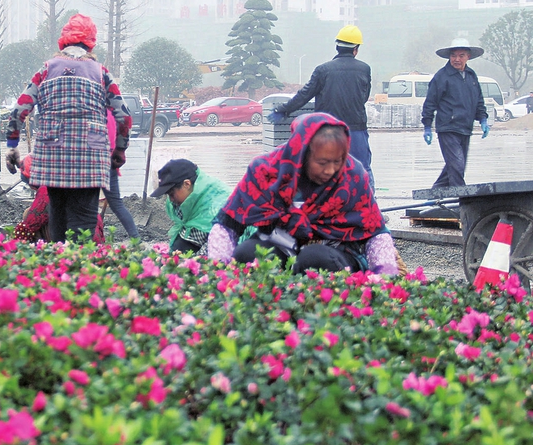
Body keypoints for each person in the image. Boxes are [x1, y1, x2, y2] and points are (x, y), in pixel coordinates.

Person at [207, 113, 398, 276]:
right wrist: (218, 274)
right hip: (278, 245)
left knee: (315, 258)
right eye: (322, 163)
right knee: (249, 254)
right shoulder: (265, 172)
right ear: (301, 153)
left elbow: (376, 232)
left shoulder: (353, 176)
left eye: (337, 161)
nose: (331, 170)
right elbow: (227, 224)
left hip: (335, 253)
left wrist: (385, 277)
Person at [5, 13, 133, 242]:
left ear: (63, 42)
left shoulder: (46, 70)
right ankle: (81, 272)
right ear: (91, 43)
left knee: (58, 220)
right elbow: (123, 116)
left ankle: (57, 270)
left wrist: (12, 145)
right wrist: (119, 150)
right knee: (83, 226)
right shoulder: (101, 73)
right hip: (90, 161)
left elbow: (19, 110)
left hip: (52, 158)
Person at [270, 25, 374, 188]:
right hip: (356, 129)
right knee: (362, 170)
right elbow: (364, 97)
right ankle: (369, 208)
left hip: (327, 131)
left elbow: (305, 94)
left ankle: (325, 208)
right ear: (356, 49)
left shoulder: (323, 70)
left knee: (326, 172)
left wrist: (284, 109)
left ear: (337, 46)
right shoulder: (364, 69)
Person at [422, 38, 489, 188]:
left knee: (456, 167)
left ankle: (435, 195)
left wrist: (483, 119)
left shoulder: (471, 76)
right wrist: (427, 125)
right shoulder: (441, 77)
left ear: (468, 57)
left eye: (461, 55)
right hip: (448, 128)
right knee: (457, 166)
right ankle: (462, 203)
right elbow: (430, 102)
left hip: (465, 128)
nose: (457, 59)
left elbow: (478, 100)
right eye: (453, 55)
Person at [13, 154, 104, 243]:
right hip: (92, 236)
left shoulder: (46, 190)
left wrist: (16, 244)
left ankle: (45, 248)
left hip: (75, 239)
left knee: (30, 215)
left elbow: (29, 224)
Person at [150, 159, 229, 256]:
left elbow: (216, 246)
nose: (170, 200)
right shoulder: (185, 197)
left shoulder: (217, 204)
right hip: (194, 239)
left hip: (225, 245)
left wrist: (192, 263)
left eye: (171, 194)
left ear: (187, 184)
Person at [104, 111, 139, 239]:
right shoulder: (112, 115)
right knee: (117, 204)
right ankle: (136, 239)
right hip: (110, 163)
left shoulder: (96, 114)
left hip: (94, 164)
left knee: (86, 206)